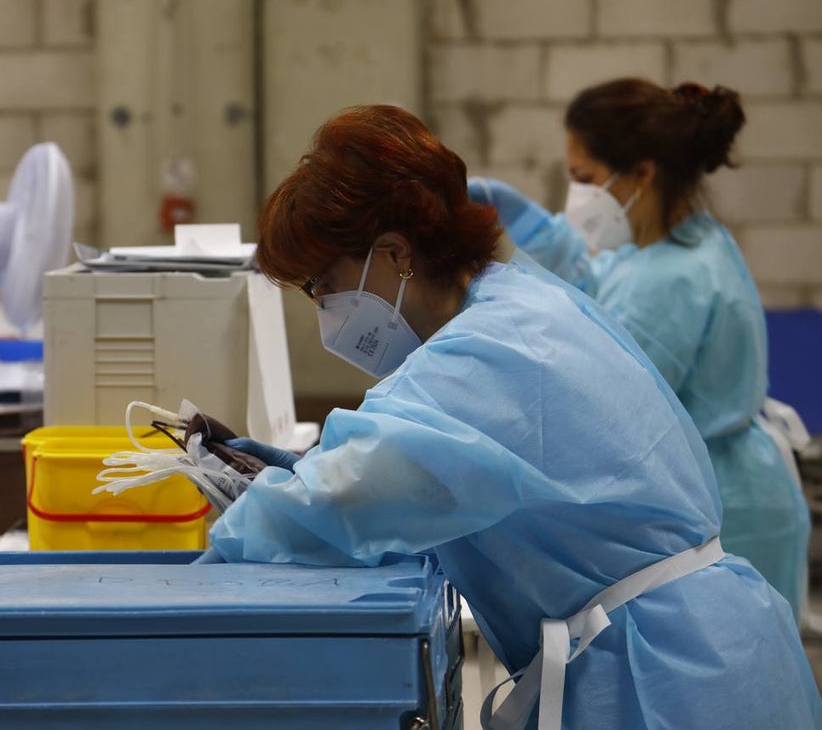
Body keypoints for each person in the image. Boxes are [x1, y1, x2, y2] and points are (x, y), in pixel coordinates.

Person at [205, 104, 820, 729]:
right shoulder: (519, 302)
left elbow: (339, 500)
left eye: (321, 286)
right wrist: (296, 470)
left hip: (667, 682)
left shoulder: (482, 350)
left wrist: (224, 538)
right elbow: (402, 473)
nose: (325, 311)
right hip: (705, 650)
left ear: (393, 252)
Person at [466, 77, 811, 623]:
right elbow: (597, 279)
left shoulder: (671, 277)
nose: (577, 196)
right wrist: (538, 230)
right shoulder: (677, 242)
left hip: (728, 508)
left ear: (642, 173)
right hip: (731, 483)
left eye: (585, 179)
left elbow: (604, 403)